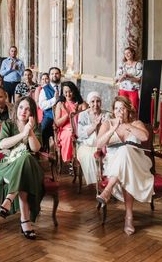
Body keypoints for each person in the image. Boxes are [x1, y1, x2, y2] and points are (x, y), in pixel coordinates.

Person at [96, 96, 153, 235]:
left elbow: (145, 137)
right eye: (116, 108)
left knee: (126, 150)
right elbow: (98, 144)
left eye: (122, 108)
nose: (119, 111)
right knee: (125, 165)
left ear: (128, 110)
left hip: (137, 162)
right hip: (114, 163)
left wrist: (127, 125)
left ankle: (107, 190)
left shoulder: (136, 123)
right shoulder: (107, 124)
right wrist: (113, 129)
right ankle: (129, 217)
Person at [0, 96, 45, 240]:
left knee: (27, 158)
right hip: (9, 164)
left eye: (28, 109)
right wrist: (22, 134)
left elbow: (35, 149)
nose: (24, 111)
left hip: (31, 165)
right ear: (16, 108)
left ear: (32, 113)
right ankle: (25, 221)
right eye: (21, 107)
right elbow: (2, 144)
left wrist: (29, 131)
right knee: (25, 168)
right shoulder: (8, 124)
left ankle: (9, 198)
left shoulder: (36, 126)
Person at [76, 91, 110, 185]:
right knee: (90, 156)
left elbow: (110, 132)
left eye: (98, 101)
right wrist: (94, 126)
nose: (95, 104)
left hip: (103, 145)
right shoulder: (83, 115)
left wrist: (102, 126)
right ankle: (96, 182)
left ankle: (107, 182)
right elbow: (80, 134)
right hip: (86, 146)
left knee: (111, 155)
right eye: (92, 101)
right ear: (88, 103)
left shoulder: (106, 115)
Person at [54, 81, 86, 164]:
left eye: (70, 91)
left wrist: (77, 112)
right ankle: (71, 161)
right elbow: (57, 123)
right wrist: (68, 115)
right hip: (65, 129)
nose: (68, 94)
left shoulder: (81, 104)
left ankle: (82, 158)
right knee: (70, 135)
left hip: (79, 127)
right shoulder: (60, 104)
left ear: (74, 91)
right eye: (65, 92)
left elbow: (86, 119)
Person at [38, 67, 62, 150]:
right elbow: (42, 105)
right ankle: (44, 150)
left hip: (63, 117)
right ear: (49, 76)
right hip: (50, 117)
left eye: (56, 73)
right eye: (52, 74)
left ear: (60, 75)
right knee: (43, 129)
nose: (54, 75)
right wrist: (54, 99)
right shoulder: (44, 89)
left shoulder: (65, 87)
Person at [115, 47, 142, 113]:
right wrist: (123, 76)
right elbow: (118, 79)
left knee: (134, 107)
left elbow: (139, 79)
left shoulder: (138, 65)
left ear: (132, 53)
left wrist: (129, 76)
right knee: (122, 107)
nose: (127, 55)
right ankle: (124, 121)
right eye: (125, 53)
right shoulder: (122, 65)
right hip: (123, 90)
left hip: (133, 90)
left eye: (128, 53)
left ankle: (133, 122)